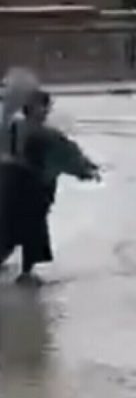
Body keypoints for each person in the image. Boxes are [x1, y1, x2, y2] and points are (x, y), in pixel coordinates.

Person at [0, 91, 99, 285]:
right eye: (44, 107)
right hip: (31, 190)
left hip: (5, 189)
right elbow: (69, 157)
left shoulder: (9, 129)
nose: (46, 111)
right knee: (32, 232)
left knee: (6, 231)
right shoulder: (47, 135)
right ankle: (27, 275)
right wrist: (87, 172)